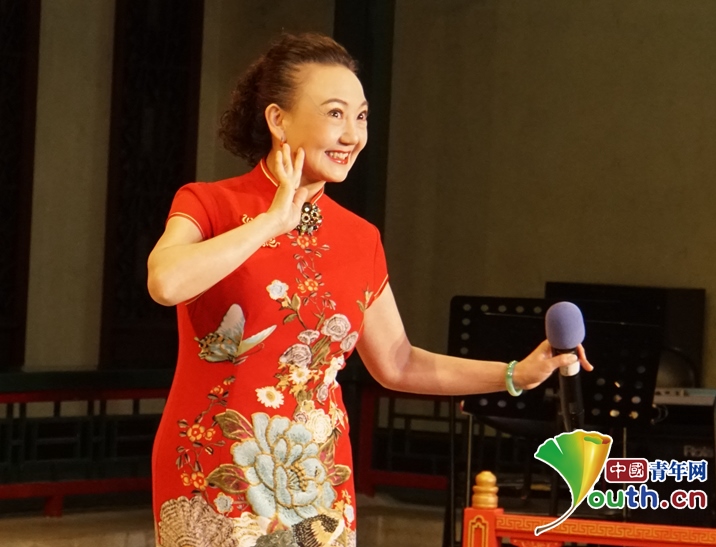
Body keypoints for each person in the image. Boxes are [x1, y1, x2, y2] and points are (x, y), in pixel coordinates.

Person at [146, 32, 591, 547]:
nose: (352, 135)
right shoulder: (210, 204)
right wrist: (271, 223)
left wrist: (515, 374)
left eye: (360, 117)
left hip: (316, 476)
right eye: (335, 113)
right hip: (213, 468)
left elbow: (397, 362)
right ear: (278, 120)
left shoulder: (359, 238)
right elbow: (165, 282)